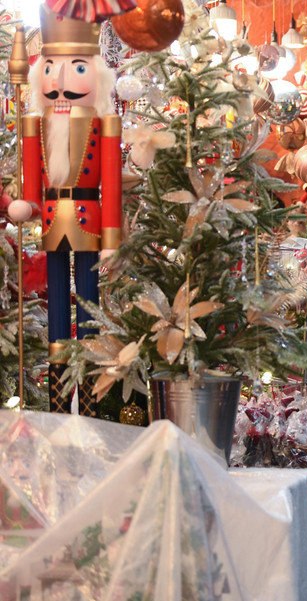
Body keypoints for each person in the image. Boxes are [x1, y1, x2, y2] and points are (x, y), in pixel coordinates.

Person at [9, 5, 122, 415]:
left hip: (90, 220)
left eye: (75, 67)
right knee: (57, 306)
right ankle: (60, 402)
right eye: (51, 66)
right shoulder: (36, 124)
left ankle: (89, 401)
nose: (59, 80)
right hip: (53, 219)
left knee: (88, 307)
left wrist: (112, 239)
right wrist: (25, 204)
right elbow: (31, 182)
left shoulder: (104, 124)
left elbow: (111, 186)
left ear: (95, 71)